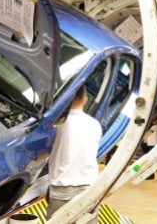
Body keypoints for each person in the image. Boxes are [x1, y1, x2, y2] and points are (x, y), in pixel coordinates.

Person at [46, 86, 102, 222]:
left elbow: (44, 152)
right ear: (85, 100)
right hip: (88, 186)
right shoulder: (95, 124)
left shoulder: (56, 124)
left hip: (61, 188)